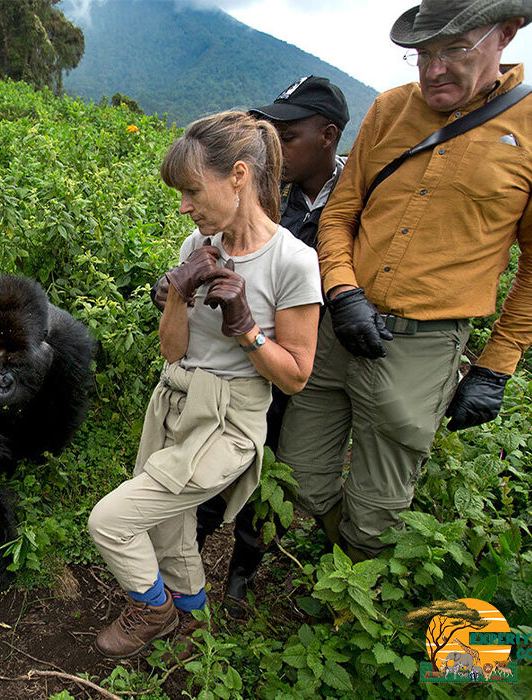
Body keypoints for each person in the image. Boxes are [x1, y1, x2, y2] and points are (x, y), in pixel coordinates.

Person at [277, 0, 532, 562]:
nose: (433, 69)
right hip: (338, 327)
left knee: (377, 509)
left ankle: (356, 588)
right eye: (422, 53)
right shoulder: (392, 109)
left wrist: (496, 366)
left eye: (454, 50)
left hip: (423, 345)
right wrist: (342, 290)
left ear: (506, 35)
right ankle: (342, 554)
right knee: (301, 475)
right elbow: (342, 213)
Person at [88, 111, 322, 659]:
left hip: (230, 419)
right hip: (175, 397)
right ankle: (193, 628)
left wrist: (245, 326)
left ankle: (153, 608)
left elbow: (296, 375)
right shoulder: (199, 241)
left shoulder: (293, 260)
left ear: (238, 175)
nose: (185, 206)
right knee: (170, 529)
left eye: (193, 190)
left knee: (112, 521)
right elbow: (172, 349)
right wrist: (178, 292)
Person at [192, 76, 350, 616]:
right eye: (273, 131)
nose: (275, 145)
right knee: (222, 455)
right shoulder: (268, 197)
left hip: (310, 360)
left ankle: (243, 569)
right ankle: (190, 548)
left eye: (290, 132)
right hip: (253, 361)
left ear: (328, 136)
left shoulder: (358, 199)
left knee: (278, 465)